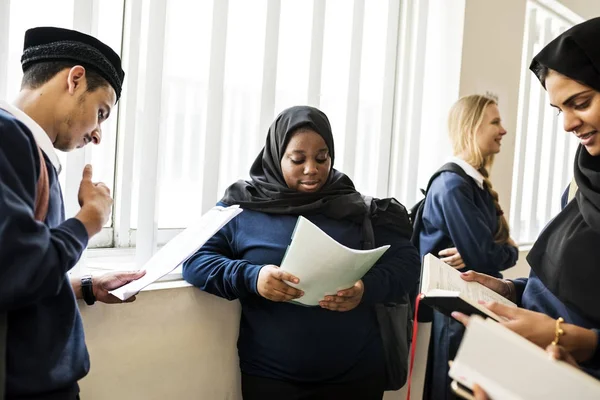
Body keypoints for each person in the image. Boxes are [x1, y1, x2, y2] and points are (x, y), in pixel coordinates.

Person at [182, 105, 420, 400]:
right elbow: (194, 261)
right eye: (298, 159)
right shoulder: (242, 207)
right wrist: (252, 277)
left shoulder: (355, 207)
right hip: (272, 377)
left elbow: (408, 261)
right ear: (276, 156)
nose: (312, 169)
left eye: (322, 158)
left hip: (357, 374)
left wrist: (366, 288)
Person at [0, 27, 145, 399]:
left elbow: (23, 276)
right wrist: (87, 222)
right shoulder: (8, 138)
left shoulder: (32, 151)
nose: (97, 134)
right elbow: (14, 268)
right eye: (101, 112)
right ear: (75, 79)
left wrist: (86, 287)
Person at [454, 16, 600, 381]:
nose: (568, 124)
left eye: (580, 103)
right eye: (559, 110)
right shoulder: (582, 181)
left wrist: (583, 342)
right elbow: (563, 285)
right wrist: (511, 290)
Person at [418, 94, 519, 399]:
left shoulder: (471, 184)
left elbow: (488, 254)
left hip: (470, 307)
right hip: (456, 312)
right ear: (472, 128)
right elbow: (487, 256)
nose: (503, 130)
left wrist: (498, 251)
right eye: (495, 122)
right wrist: (503, 249)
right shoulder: (453, 185)